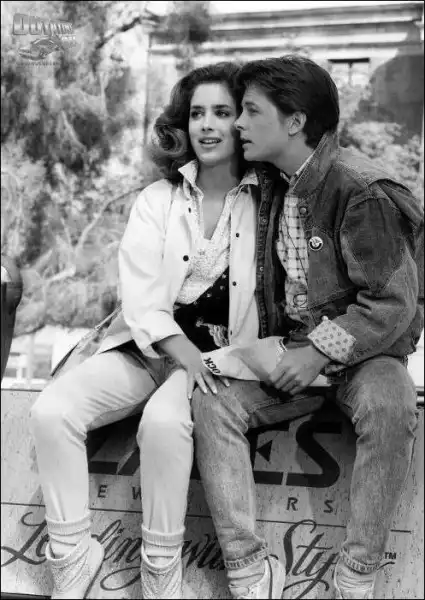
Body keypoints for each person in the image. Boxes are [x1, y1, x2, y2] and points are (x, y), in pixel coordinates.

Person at [191, 54, 424, 600]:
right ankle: (248, 571)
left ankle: (357, 575)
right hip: (290, 352)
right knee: (213, 402)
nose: (237, 124)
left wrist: (319, 350)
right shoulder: (270, 184)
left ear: (295, 121)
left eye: (250, 111)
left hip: (367, 355)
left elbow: (391, 303)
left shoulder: (360, 189)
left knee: (392, 407)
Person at [30, 61, 261, 600]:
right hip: (149, 347)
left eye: (222, 113)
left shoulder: (267, 201)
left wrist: (200, 361)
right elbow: (139, 298)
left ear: (242, 122)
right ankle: (72, 557)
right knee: (51, 411)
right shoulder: (158, 199)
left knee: (163, 424)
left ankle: (160, 572)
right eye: (197, 113)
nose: (207, 125)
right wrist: (181, 353)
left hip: (218, 359)